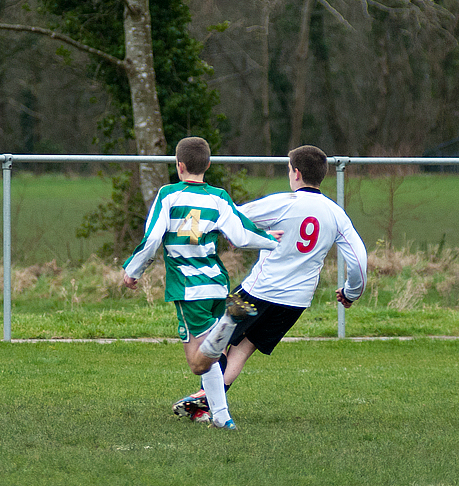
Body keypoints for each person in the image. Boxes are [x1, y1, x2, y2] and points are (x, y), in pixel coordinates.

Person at [172, 145, 368, 422]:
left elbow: (233, 217)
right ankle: (206, 403)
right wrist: (351, 292)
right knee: (243, 349)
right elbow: (359, 259)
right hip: (295, 303)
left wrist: (191, 231)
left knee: (215, 340)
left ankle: (206, 400)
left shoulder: (284, 202)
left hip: (258, 291)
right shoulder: (335, 214)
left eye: (289, 169)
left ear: (296, 173)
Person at [122, 137, 281, 430]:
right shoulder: (218, 197)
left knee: (198, 361)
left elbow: (152, 239)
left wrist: (134, 271)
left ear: (179, 166)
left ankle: (228, 324)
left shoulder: (168, 195)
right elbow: (241, 235)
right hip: (218, 285)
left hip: (188, 288)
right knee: (209, 355)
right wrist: (270, 240)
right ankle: (221, 417)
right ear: (207, 165)